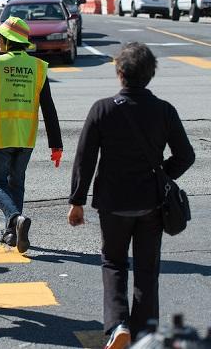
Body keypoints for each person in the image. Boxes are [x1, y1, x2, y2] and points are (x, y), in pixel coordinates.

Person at [68, 42, 194, 349]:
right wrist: (162, 176)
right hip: (151, 202)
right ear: (151, 74)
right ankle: (143, 334)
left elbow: (85, 158)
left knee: (113, 263)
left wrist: (77, 201)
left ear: (119, 72)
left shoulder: (103, 108)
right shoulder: (165, 110)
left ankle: (116, 325)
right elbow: (185, 155)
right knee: (147, 270)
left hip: (112, 203)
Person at [0, 17, 63, 253]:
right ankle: (11, 231)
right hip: (26, 137)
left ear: (6, 42)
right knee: (17, 184)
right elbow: (48, 107)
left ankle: (15, 218)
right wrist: (56, 145)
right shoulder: (38, 67)